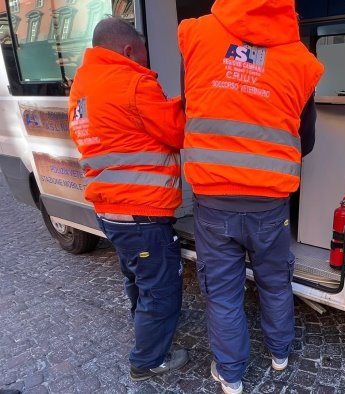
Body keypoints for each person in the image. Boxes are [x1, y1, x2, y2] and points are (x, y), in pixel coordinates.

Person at [178, 1, 323, 393]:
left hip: (213, 200)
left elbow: (190, 108)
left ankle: (231, 374)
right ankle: (279, 354)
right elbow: (305, 140)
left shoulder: (197, 35)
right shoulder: (301, 61)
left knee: (223, 292)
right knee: (274, 281)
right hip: (270, 204)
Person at [68, 17, 189, 381]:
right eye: (143, 55)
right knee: (161, 287)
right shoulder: (133, 83)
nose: (145, 64)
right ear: (127, 50)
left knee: (137, 278)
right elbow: (177, 131)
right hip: (142, 211)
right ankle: (148, 360)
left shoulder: (81, 88)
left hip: (109, 207)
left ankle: (146, 330)